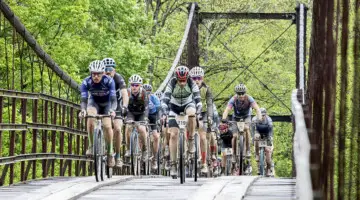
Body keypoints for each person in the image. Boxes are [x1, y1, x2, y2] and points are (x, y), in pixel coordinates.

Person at [161, 65, 202, 178]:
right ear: (176, 78)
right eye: (180, 81)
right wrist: (165, 111)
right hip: (174, 107)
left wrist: (199, 109)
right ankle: (173, 164)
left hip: (187, 105)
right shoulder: (172, 83)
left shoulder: (191, 83)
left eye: (184, 80)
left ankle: (191, 139)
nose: (182, 83)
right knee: (173, 135)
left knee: (192, 113)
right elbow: (165, 100)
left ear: (187, 78)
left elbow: (198, 99)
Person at [79, 60, 117, 167]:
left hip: (107, 104)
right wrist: (83, 110)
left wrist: (112, 110)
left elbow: (114, 99)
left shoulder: (109, 81)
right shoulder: (86, 82)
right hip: (94, 103)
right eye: (93, 74)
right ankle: (91, 145)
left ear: (103, 73)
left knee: (107, 125)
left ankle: (110, 152)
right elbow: (84, 99)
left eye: (98, 74)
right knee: (90, 117)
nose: (96, 76)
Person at [221, 83, 262, 174]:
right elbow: (227, 109)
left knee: (247, 128)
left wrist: (259, 118)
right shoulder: (234, 99)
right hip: (236, 118)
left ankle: (247, 150)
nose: (241, 95)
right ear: (236, 94)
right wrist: (224, 118)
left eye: (242, 93)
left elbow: (257, 109)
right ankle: (234, 155)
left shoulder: (249, 98)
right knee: (234, 136)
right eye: (239, 94)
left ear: (245, 93)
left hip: (246, 117)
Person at [102, 57, 129, 168]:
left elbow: (124, 94)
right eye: (106, 70)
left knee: (117, 129)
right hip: (103, 105)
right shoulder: (98, 78)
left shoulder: (118, 79)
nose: (108, 72)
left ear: (114, 71)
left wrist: (124, 106)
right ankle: (103, 149)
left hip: (116, 106)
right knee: (104, 125)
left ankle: (117, 156)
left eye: (111, 70)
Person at [189, 66, 213, 174]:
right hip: (189, 112)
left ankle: (203, 163)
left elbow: (209, 104)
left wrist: (210, 117)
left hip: (202, 113)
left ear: (202, 78)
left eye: (199, 78)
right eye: (194, 78)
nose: (197, 80)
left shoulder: (206, 89)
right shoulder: (187, 88)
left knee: (203, 137)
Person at [124, 75, 149, 162]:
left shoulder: (143, 93)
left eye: (136, 85)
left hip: (141, 113)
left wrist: (145, 117)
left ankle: (145, 150)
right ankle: (127, 149)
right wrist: (123, 112)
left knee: (142, 129)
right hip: (131, 113)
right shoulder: (127, 92)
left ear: (140, 86)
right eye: (132, 85)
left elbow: (147, 106)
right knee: (128, 127)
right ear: (130, 85)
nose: (134, 87)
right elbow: (122, 104)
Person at [143, 84, 161, 171]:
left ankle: (154, 158)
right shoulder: (140, 97)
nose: (147, 93)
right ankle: (142, 152)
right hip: (143, 116)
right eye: (145, 92)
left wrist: (159, 120)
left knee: (156, 137)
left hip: (153, 116)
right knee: (141, 134)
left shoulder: (154, 98)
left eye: (149, 92)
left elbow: (158, 109)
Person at [251, 108, 274, 176]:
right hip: (258, 132)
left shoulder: (269, 120)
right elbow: (252, 129)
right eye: (261, 115)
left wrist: (270, 138)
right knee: (256, 137)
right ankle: (257, 154)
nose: (262, 116)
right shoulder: (254, 119)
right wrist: (253, 137)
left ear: (266, 115)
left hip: (267, 134)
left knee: (268, 152)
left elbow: (271, 130)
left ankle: (269, 169)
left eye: (263, 115)